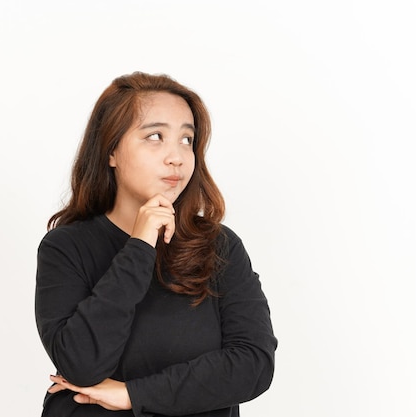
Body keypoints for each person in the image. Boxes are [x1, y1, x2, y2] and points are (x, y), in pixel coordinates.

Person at [35, 72, 277, 417]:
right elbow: (83, 364)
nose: (176, 156)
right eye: (155, 136)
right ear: (111, 151)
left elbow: (253, 365)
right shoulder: (66, 247)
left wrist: (133, 394)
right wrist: (140, 245)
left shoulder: (219, 246)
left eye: (187, 140)